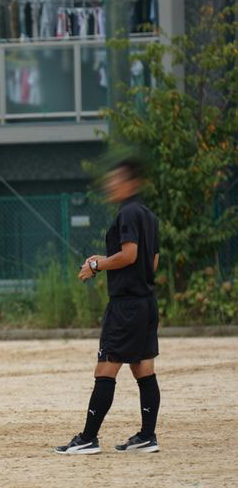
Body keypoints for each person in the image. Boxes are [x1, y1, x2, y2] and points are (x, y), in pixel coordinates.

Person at [55, 158, 161, 455]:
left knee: (105, 369)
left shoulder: (127, 212)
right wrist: (129, 272)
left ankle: (88, 438)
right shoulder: (148, 215)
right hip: (146, 303)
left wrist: (96, 263)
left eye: (115, 181)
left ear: (130, 183)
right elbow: (152, 261)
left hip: (125, 306)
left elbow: (129, 254)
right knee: (143, 369)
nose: (110, 186)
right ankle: (147, 436)